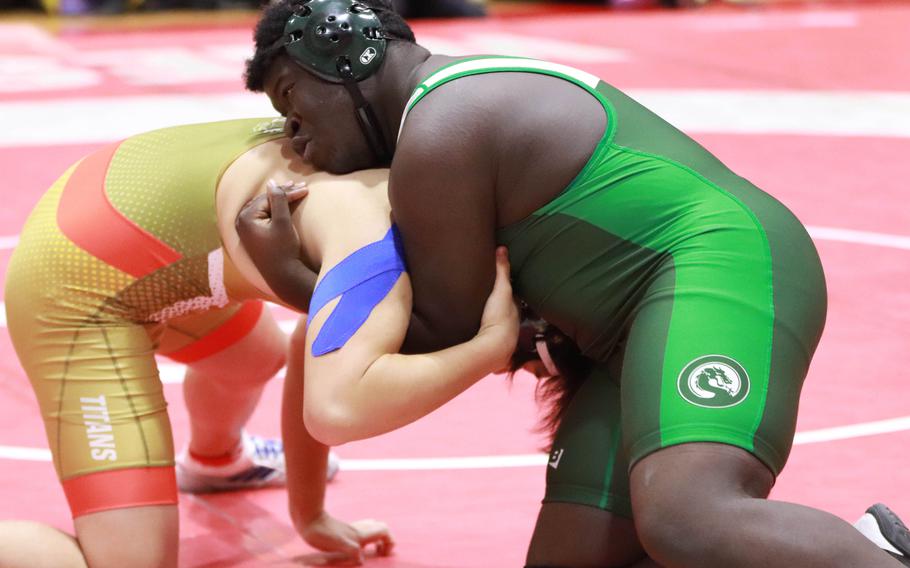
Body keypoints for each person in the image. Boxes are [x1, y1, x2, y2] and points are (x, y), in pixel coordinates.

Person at [238, 1, 910, 566]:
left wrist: (287, 274)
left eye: (291, 99)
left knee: (690, 517)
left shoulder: (443, 130)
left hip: (721, 264)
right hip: (632, 331)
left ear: (345, 57)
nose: (293, 132)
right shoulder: (450, 103)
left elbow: (449, 329)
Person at [1, 118, 508, 567]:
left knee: (252, 360)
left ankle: (216, 461)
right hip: (75, 286)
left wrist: (309, 515)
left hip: (136, 214)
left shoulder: (422, 177)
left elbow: (313, 347)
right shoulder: (376, 249)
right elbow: (333, 403)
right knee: (135, 562)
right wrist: (490, 348)